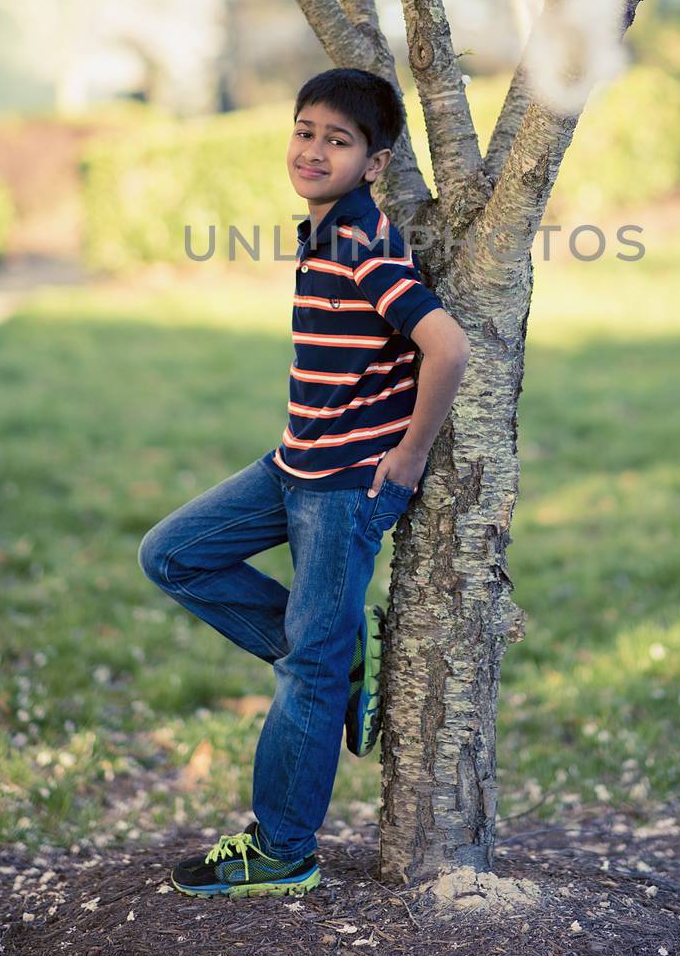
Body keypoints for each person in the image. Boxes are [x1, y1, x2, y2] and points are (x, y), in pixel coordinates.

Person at [138, 66, 471, 899]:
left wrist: (411, 456)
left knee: (305, 671)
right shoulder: (321, 231)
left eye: (339, 139)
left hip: (344, 488)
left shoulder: (363, 243)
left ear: (374, 162)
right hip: (290, 463)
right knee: (173, 556)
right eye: (305, 130)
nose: (315, 149)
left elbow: (449, 347)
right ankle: (331, 657)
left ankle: (283, 848)